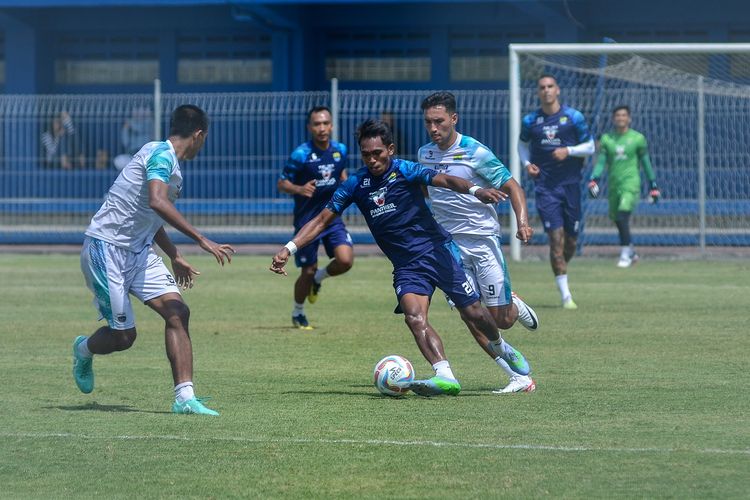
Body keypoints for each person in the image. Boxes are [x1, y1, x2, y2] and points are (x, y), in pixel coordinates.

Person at [271, 119, 531, 397]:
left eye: (378, 153)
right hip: (407, 267)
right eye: (366, 154)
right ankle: (444, 375)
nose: (372, 160)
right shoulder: (356, 183)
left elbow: (444, 179)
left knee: (474, 313)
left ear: (390, 149)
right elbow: (322, 220)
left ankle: (500, 345)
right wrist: (289, 247)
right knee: (414, 317)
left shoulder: (405, 170)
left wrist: (475, 190)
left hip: (437, 252)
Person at [72, 104, 236, 416]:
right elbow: (157, 202)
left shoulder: (170, 163)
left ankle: (184, 398)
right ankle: (83, 349)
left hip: (139, 252)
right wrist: (201, 239)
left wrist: (174, 254)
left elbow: (151, 215)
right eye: (205, 138)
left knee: (178, 312)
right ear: (199, 134)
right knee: (124, 337)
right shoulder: (160, 154)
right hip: (106, 250)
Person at [419, 91, 539, 394]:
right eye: (428, 122)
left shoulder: (475, 151)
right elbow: (426, 192)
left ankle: (513, 304)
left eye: (439, 121)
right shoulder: (424, 154)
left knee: (501, 319)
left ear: (454, 119)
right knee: (470, 314)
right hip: (448, 247)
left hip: (482, 241)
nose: (434, 128)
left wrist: (522, 223)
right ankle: (516, 376)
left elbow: (513, 187)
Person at [518, 74, 594, 310]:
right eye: (542, 87)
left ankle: (560, 267)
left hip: (571, 187)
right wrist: (526, 164)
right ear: (538, 92)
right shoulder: (531, 120)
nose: (547, 90)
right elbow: (522, 144)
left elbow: (590, 146)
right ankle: (566, 296)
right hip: (546, 188)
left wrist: (568, 151)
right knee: (556, 240)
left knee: (571, 243)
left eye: (550, 86)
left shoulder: (573, 117)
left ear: (558, 90)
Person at [277, 106, 354, 330]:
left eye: (325, 123)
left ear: (331, 125)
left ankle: (318, 280)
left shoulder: (340, 150)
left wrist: (347, 188)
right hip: (307, 221)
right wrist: (299, 189)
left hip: (331, 217)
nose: (322, 128)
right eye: (317, 124)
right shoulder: (301, 154)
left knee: (346, 260)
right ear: (310, 127)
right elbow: (281, 183)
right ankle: (298, 313)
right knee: (307, 270)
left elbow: (342, 174)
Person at [588, 105, 660, 268]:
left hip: (631, 184)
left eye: (624, 115)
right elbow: (601, 162)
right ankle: (632, 252)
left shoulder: (637, 139)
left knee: (622, 216)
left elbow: (646, 162)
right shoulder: (607, 139)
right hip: (614, 186)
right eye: (618, 115)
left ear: (629, 118)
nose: (621, 118)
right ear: (613, 119)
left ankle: (625, 255)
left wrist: (653, 185)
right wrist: (594, 179)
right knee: (617, 219)